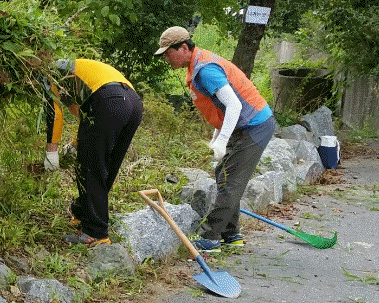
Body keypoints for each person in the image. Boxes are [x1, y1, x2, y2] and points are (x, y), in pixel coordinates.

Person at [155, 26, 276, 251]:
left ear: (183, 48)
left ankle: (210, 237)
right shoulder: (198, 64)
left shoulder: (205, 70)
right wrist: (216, 137)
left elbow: (234, 105)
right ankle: (232, 235)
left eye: (168, 53)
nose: (166, 59)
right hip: (247, 125)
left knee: (231, 181)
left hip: (255, 125)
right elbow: (220, 109)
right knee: (224, 174)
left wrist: (222, 142)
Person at [44, 58, 144, 245]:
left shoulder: (49, 74)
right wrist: (76, 142)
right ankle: (82, 211)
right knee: (107, 165)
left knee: (89, 166)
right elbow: (87, 114)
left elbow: (55, 113)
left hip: (109, 100)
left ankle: (95, 232)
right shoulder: (74, 70)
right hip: (133, 102)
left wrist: (52, 153)